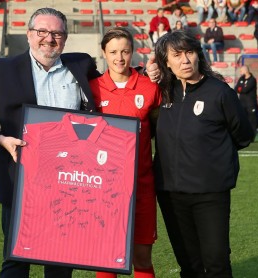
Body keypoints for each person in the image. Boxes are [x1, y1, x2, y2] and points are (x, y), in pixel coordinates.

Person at [0, 7, 161, 278]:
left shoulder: (80, 65)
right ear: (30, 34)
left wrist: (145, 73)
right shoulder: (3, 69)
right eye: (41, 32)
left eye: (56, 33)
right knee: (16, 261)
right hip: (23, 182)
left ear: (65, 39)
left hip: (69, 184)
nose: (49, 39)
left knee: (61, 263)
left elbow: (115, 75)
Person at [153, 30, 254, 278]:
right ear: (166, 61)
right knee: (189, 265)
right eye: (176, 55)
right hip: (171, 194)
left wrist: (213, 161)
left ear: (198, 55)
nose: (184, 60)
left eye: (189, 52)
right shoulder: (162, 93)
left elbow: (243, 136)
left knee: (217, 263)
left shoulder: (220, 92)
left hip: (210, 194)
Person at [89, 27, 161, 278]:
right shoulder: (92, 88)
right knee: (107, 257)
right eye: (113, 52)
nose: (119, 58)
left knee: (142, 257)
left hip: (141, 184)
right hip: (103, 187)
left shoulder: (150, 86)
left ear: (132, 53)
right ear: (104, 53)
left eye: (125, 51)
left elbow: (160, 124)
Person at [235, 65, 258, 139]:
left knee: (252, 120)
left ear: (246, 70)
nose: (240, 72)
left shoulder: (252, 79)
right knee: (243, 120)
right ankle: (244, 135)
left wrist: (241, 89)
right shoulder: (241, 78)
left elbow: (245, 89)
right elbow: (236, 88)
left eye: (241, 71)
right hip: (242, 103)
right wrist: (241, 88)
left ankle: (252, 137)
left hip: (251, 104)